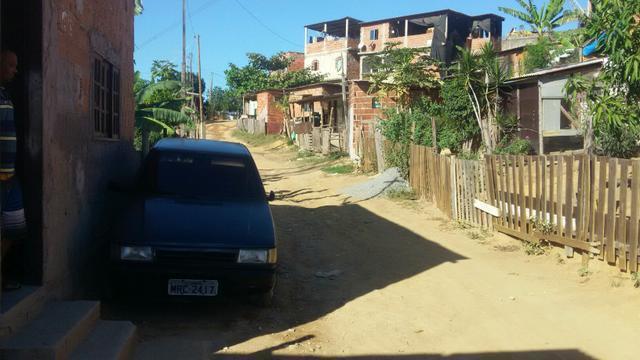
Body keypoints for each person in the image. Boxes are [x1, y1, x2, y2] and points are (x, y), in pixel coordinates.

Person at [0, 50, 26, 290]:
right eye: (10, 65)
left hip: (9, 175)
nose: (15, 70)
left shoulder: (5, 94)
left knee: (15, 229)